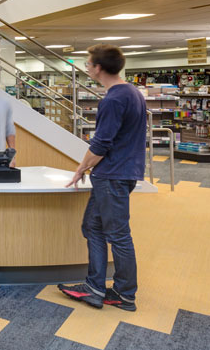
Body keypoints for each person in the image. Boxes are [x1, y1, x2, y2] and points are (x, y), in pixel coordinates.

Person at [59, 44, 147, 312]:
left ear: (98, 68)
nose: (87, 67)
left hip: (112, 176)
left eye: (88, 63)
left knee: (118, 236)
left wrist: (81, 168)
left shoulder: (113, 99)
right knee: (92, 228)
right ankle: (95, 286)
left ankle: (124, 293)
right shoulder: (132, 92)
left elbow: (101, 144)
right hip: (121, 173)